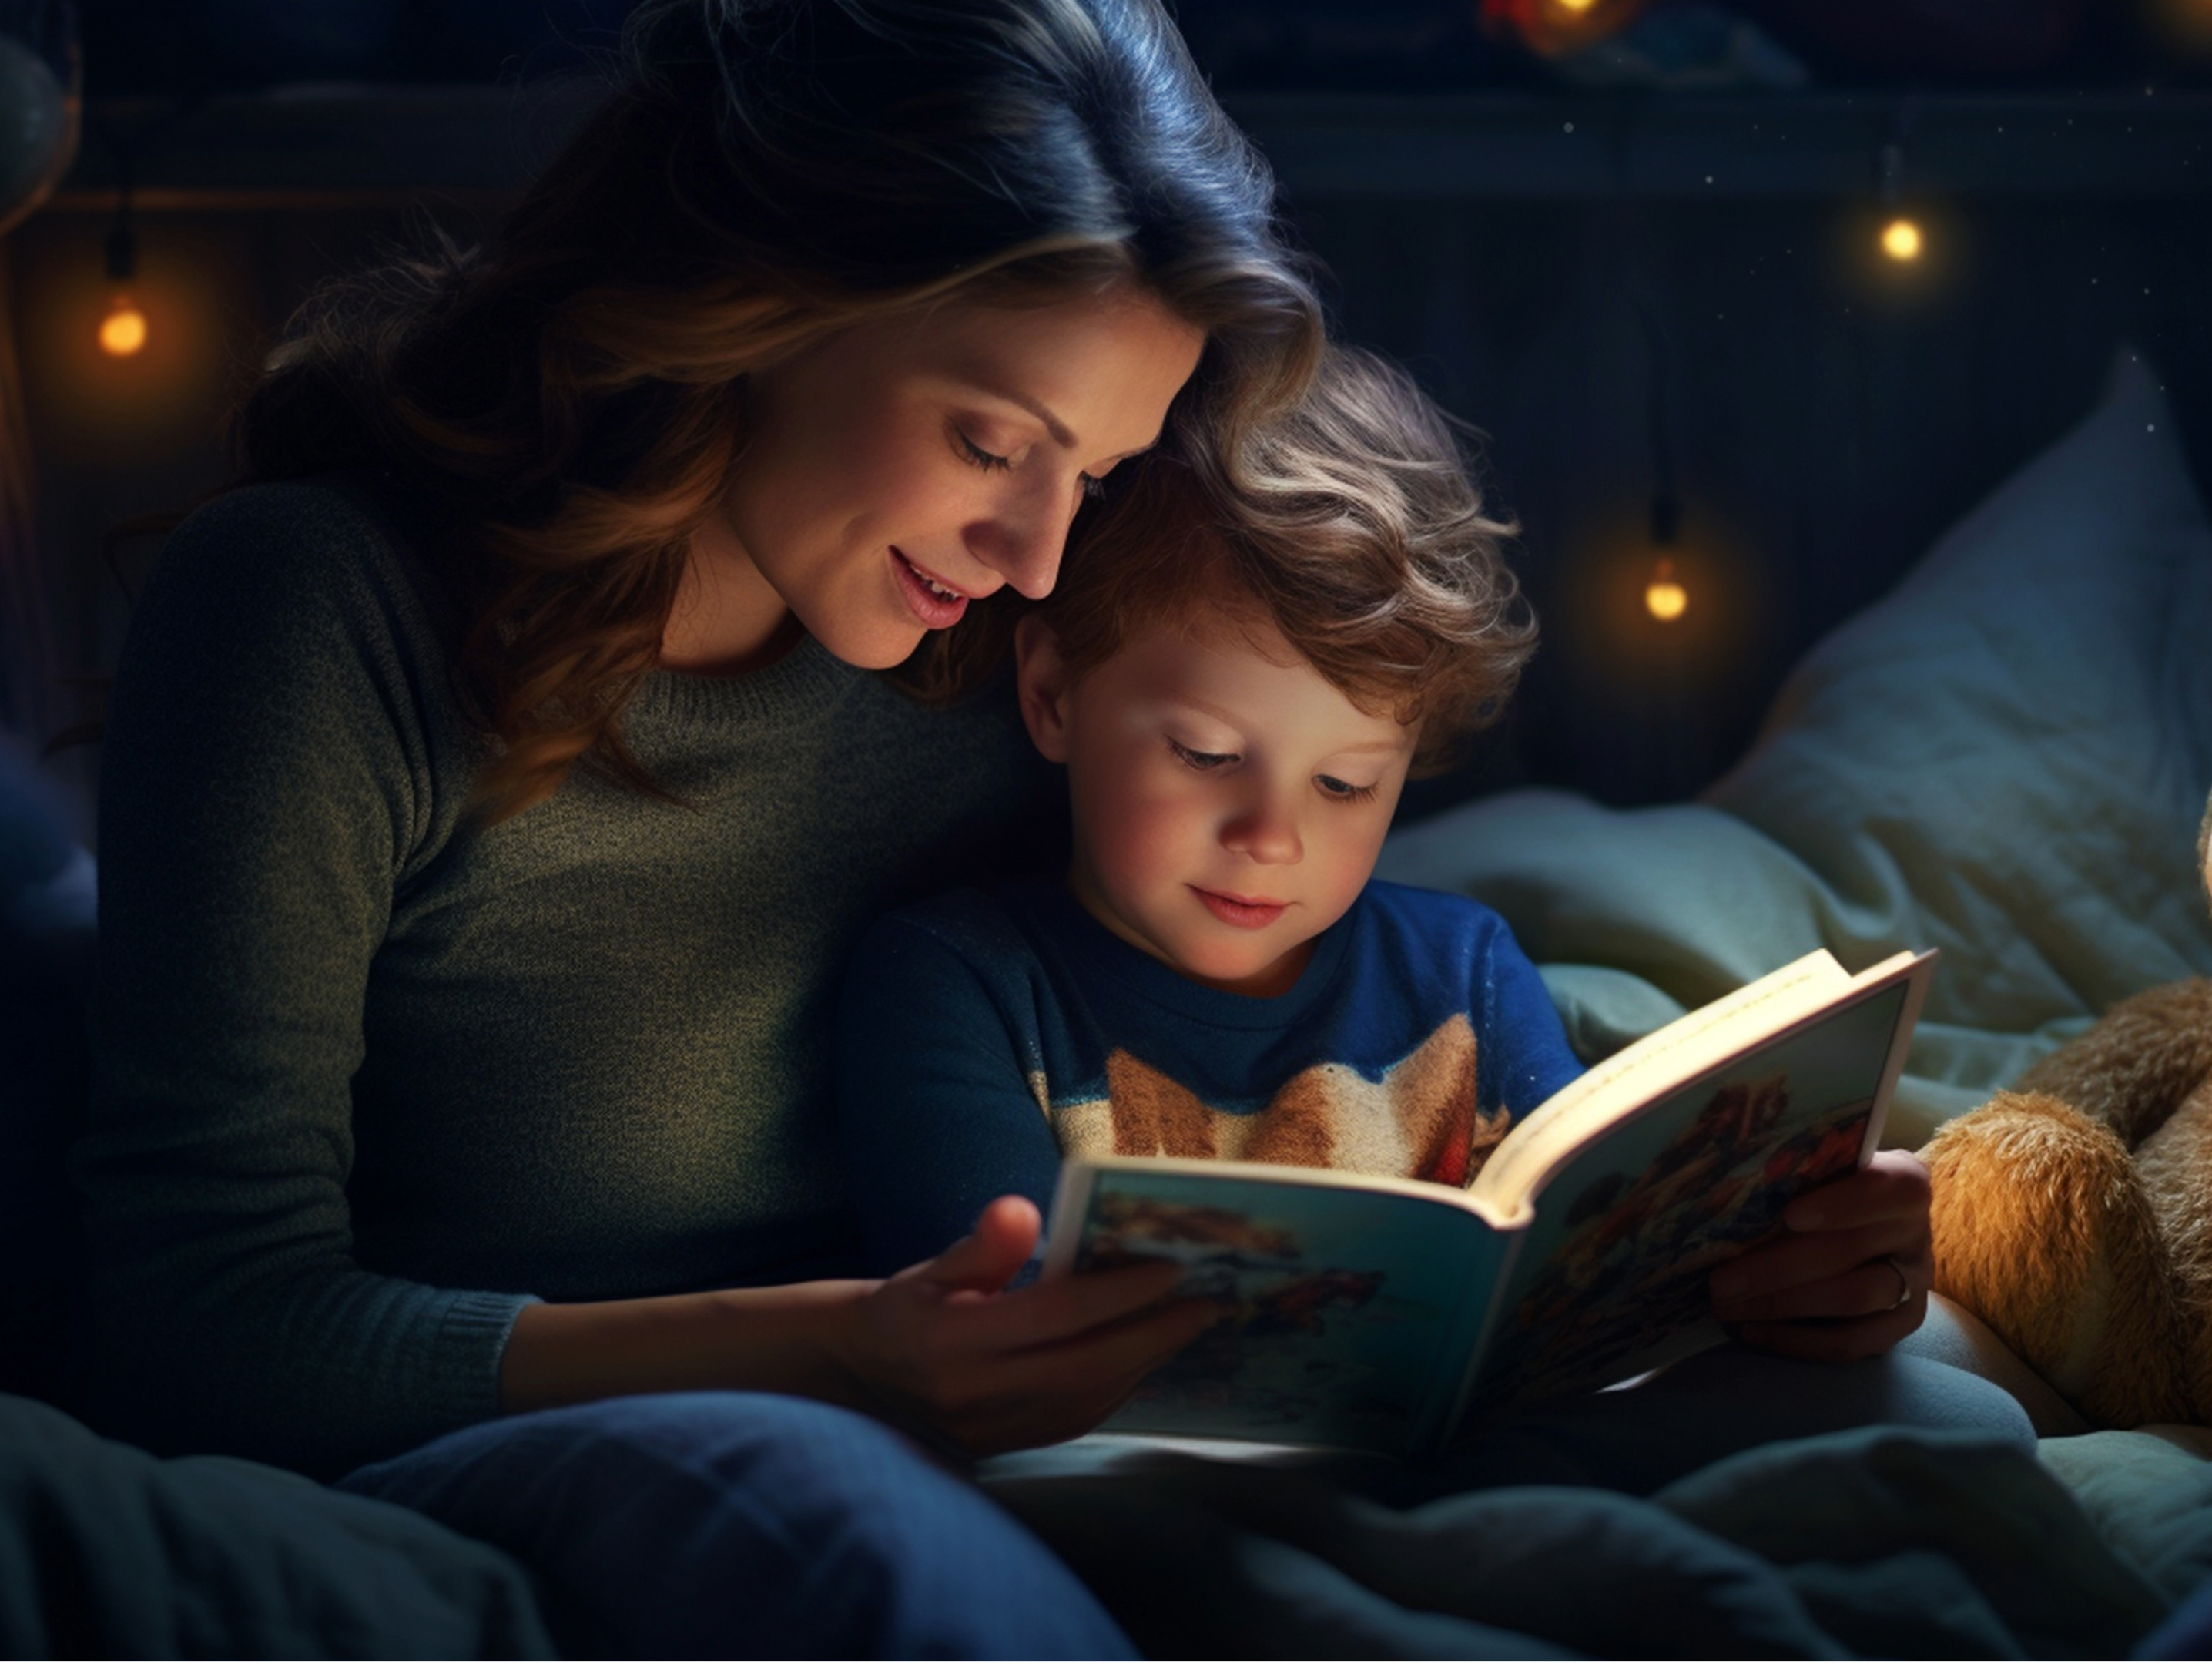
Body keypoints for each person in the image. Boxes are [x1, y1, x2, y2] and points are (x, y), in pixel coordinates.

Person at [69, 0, 1325, 1655]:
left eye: (1088, 476)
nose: (1035, 554)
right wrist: (823, 1350)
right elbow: (191, 1324)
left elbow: (1278, 990)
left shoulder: (1024, 665)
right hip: (502, 1456)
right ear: (763, 306)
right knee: (850, 1529)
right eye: (991, 441)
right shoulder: (320, 614)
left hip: (970, 1426)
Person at [833, 347, 2003, 1468]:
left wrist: (1804, 1262)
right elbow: (1001, 1362)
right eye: (1202, 752)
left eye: (1347, 783)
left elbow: (1584, 1271)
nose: (1274, 837)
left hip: (1481, 1455)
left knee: (1957, 1416)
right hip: (1133, 1478)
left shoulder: (1465, 972)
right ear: (1051, 695)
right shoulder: (958, 982)